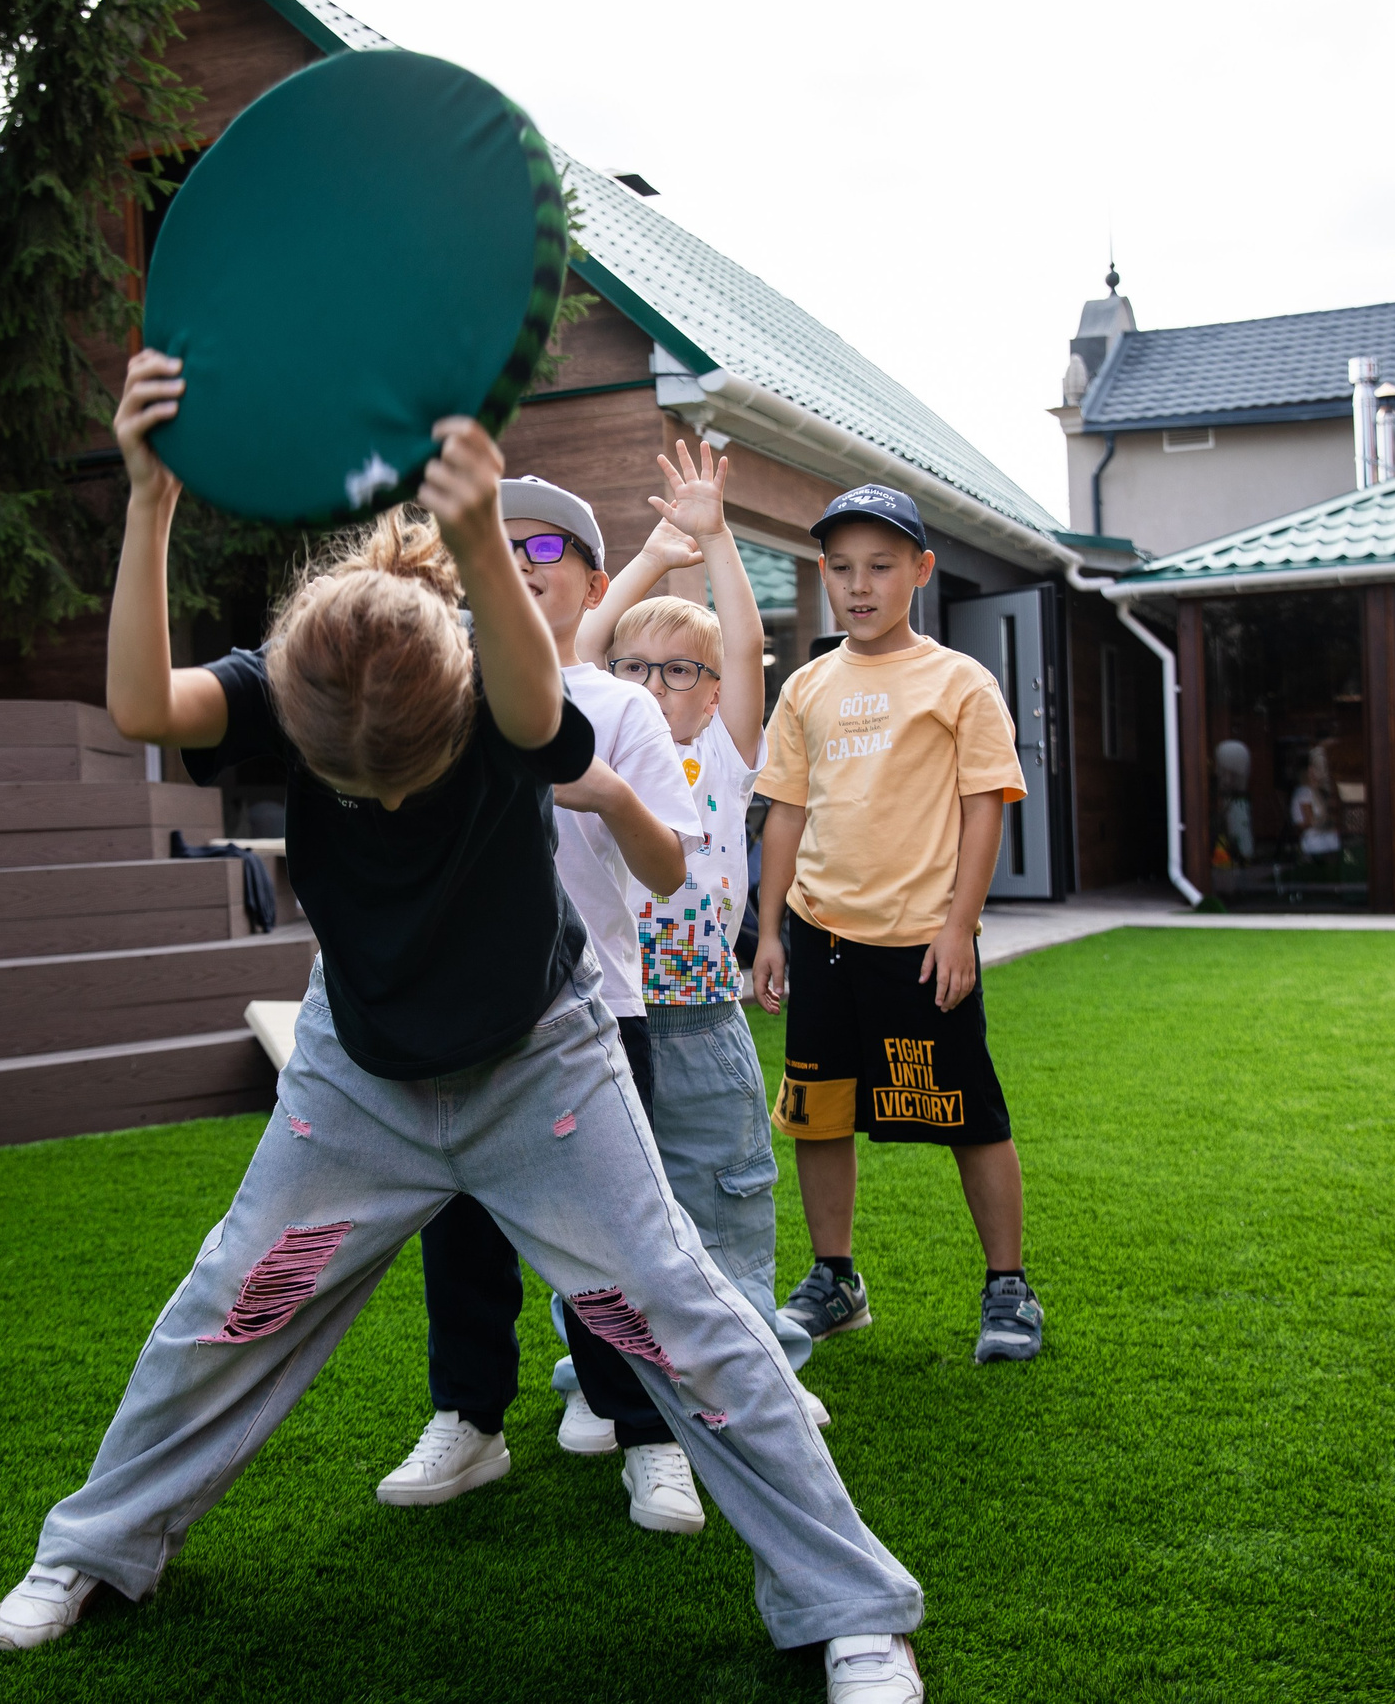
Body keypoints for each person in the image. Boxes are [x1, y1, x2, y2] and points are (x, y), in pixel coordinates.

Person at [0, 350, 928, 1703]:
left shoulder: (509, 694)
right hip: (356, 1078)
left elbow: (542, 698)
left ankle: (850, 1607)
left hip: (542, 1071)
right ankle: (94, 1545)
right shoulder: (297, 674)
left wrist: (485, 531)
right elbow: (143, 705)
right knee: (228, 1307)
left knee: (687, 1316)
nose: (375, 803)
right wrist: (148, 501)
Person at [383, 470, 710, 1535]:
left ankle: (647, 1431)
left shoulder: (620, 707)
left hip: (596, 1010)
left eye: (542, 550)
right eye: (496, 547)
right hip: (459, 1013)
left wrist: (604, 790)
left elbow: (669, 871)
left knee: (617, 1244)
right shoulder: (434, 697)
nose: (518, 568)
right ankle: (468, 1419)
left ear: (594, 584)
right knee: (460, 1231)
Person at [752, 485, 1040, 1366]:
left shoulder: (959, 682)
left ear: (921, 570)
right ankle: (835, 1278)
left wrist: (960, 927)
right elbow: (786, 812)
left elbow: (984, 807)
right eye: (841, 568)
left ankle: (1008, 1285)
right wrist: (770, 930)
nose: (859, 585)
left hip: (921, 946)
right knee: (818, 1116)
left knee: (971, 1114)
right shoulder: (805, 686)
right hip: (821, 938)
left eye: (880, 566)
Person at [575, 439, 816, 1385]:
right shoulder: (602, 746)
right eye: (635, 669)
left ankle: (752, 1367)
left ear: (714, 694)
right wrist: (647, 557)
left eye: (678, 671)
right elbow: (580, 647)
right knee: (607, 1207)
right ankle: (602, 1378)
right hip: (612, 1018)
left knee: (725, 1194)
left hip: (706, 1020)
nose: (651, 686)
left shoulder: (724, 750)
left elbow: (745, 643)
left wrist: (714, 540)